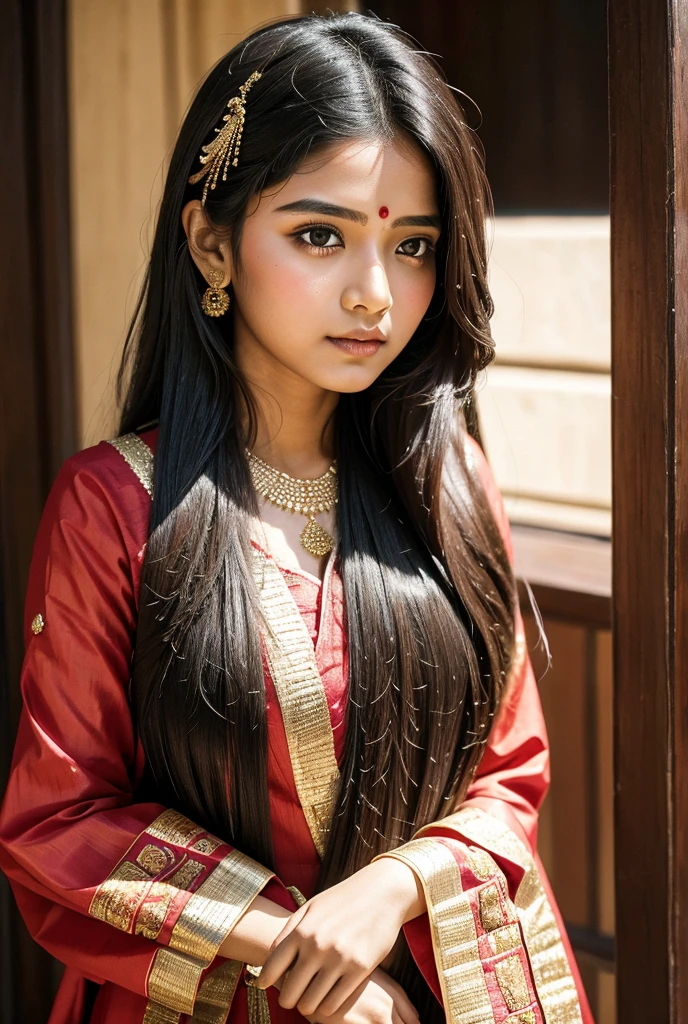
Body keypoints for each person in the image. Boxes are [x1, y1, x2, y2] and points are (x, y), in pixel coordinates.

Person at [0, 11, 593, 1024]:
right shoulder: (115, 507)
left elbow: (507, 774)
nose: (376, 294)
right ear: (211, 241)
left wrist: (391, 889)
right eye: (319, 235)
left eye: (412, 246)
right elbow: (62, 817)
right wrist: (302, 952)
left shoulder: (445, 478)